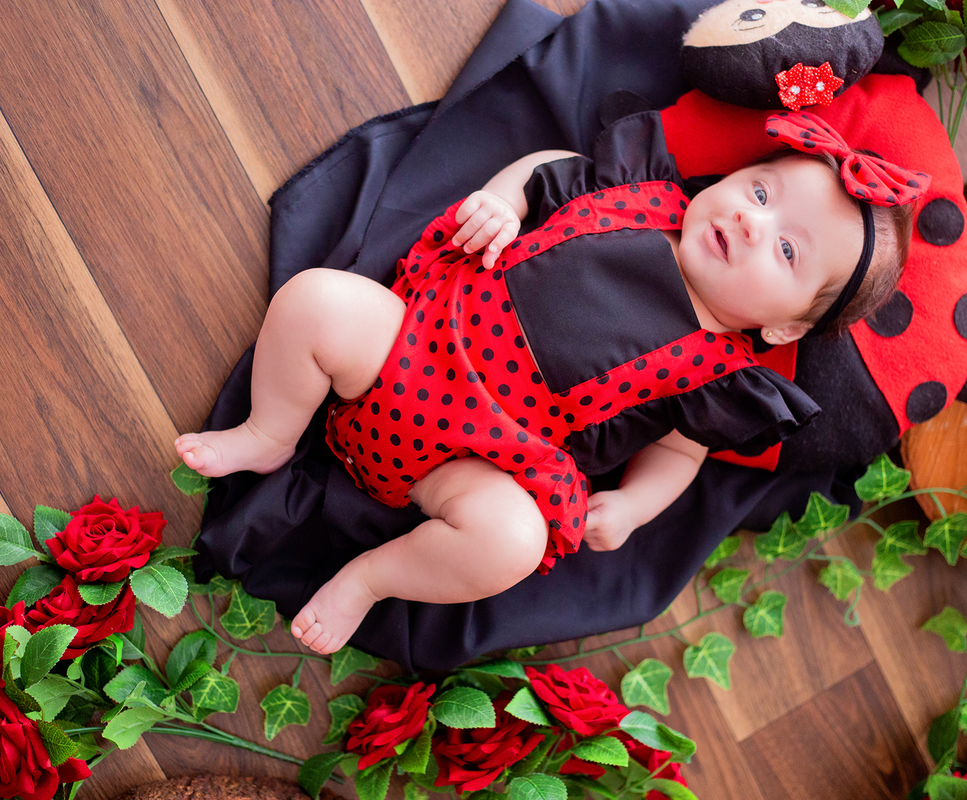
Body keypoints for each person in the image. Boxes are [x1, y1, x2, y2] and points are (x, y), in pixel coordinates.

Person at [175, 108, 924, 654]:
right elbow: (539, 172)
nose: (756, 223)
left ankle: (370, 578)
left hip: (468, 461)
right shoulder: (631, 194)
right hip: (411, 340)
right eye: (760, 192)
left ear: (785, 328)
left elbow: (680, 456)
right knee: (315, 300)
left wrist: (632, 507)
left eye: (788, 252)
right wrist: (503, 203)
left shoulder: (718, 377)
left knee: (513, 542)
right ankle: (270, 433)